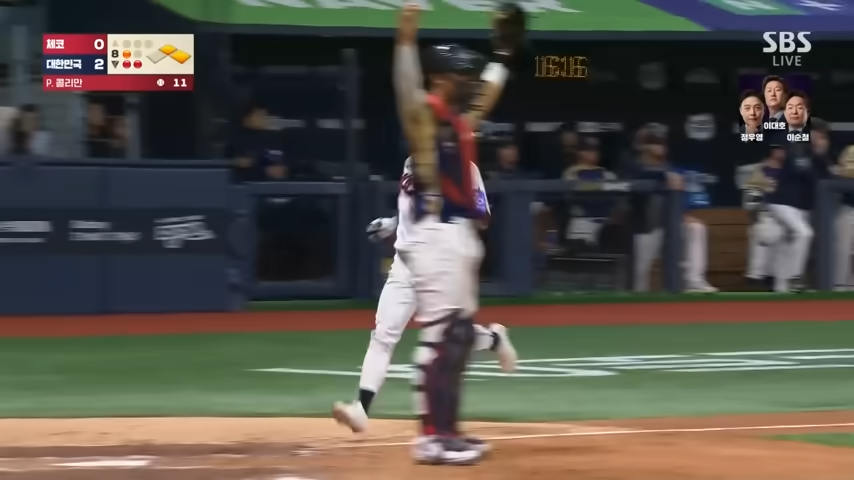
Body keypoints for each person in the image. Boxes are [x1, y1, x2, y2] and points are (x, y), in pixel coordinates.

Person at [382, 2, 521, 466]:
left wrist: (503, 56)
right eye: (463, 74)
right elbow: (406, 83)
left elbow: (486, 97)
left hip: (456, 233)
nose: (470, 80)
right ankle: (431, 438)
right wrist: (406, 34)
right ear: (440, 78)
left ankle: (449, 431)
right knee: (442, 338)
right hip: (433, 233)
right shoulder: (425, 111)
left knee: (458, 337)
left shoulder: (460, 121)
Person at [331, 155, 517, 435]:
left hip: (441, 267)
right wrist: (394, 223)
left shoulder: (465, 168)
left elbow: (482, 218)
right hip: (405, 265)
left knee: (448, 337)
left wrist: (454, 199)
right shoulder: (411, 162)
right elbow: (413, 207)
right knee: (383, 334)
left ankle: (494, 339)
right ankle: (361, 409)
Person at [630, 132, 684, 292]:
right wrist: (664, 176)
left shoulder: (668, 167)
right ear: (644, 146)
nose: (660, 148)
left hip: (667, 228)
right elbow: (639, 177)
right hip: (644, 228)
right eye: (655, 143)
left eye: (662, 144)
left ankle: (686, 292)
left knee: (678, 264)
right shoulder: (634, 166)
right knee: (640, 274)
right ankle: (637, 303)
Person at [765, 141, 816, 293]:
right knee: (804, 233)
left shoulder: (812, 155)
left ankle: (781, 286)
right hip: (781, 202)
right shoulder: (795, 151)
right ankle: (795, 278)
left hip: (797, 205)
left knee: (787, 241)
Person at [743, 146, 784, 289]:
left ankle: (770, 277)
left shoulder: (791, 170)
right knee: (763, 230)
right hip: (764, 214)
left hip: (787, 216)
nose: (783, 152)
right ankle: (756, 277)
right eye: (780, 148)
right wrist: (755, 214)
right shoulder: (760, 170)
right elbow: (750, 199)